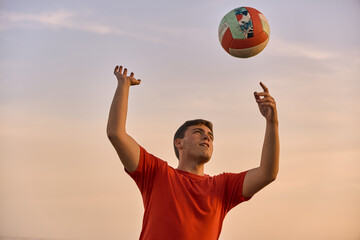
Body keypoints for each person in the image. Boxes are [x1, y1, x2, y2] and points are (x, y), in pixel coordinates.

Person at [107, 65, 279, 240]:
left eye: (210, 136)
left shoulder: (223, 187)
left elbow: (267, 173)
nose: (207, 138)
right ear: (179, 143)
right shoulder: (156, 173)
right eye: (198, 132)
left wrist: (272, 122)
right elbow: (116, 133)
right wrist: (123, 85)